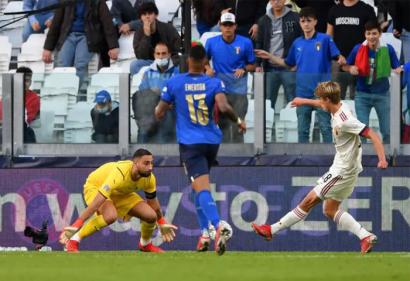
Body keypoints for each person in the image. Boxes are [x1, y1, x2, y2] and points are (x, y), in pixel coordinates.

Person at [251, 81, 388, 254]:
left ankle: (271, 230)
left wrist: (382, 159)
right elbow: (321, 103)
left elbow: (372, 135)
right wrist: (303, 101)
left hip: (342, 172)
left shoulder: (344, 121)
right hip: (345, 167)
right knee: (330, 210)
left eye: (321, 99)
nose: (320, 102)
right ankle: (365, 236)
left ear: (328, 100)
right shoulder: (338, 105)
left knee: (307, 201)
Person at [154, 44, 247, 255]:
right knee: (198, 186)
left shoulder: (175, 83)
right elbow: (223, 107)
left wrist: (167, 106)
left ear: (188, 61)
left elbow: (158, 113)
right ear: (205, 62)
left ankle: (217, 225)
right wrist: (239, 121)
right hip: (212, 141)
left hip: (190, 143)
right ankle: (205, 233)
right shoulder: (214, 82)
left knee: (202, 187)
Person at [59, 149, 178, 253]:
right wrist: (77, 224)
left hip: (120, 192)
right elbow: (97, 203)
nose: (150, 167)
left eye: (151, 163)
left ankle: (145, 244)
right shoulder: (119, 173)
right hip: (96, 186)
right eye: (146, 163)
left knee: (151, 216)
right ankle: (73, 240)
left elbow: (153, 203)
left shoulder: (149, 178)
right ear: (135, 163)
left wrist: (161, 222)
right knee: (110, 216)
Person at [255, 7, 345, 143]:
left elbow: (338, 57)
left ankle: (329, 159)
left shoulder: (325, 39)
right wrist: (269, 56)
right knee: (302, 130)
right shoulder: (297, 43)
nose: (306, 24)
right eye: (303, 21)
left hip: (323, 93)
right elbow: (288, 64)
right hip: (303, 92)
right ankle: (303, 161)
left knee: (325, 127)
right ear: (300, 23)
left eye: (309, 21)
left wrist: (341, 59)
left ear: (315, 22)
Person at [342, 20, 402, 143]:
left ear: (380, 34)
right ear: (365, 34)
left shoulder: (388, 49)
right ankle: (363, 158)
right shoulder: (357, 49)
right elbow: (345, 66)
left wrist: (401, 69)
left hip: (383, 95)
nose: (371, 37)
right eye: (368, 33)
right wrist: (350, 68)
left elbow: (397, 68)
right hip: (362, 95)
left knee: (387, 131)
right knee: (362, 131)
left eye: (374, 33)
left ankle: (387, 158)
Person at [42, 0, 119, 86]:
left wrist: (113, 46)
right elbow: (55, 24)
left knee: (79, 65)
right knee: (62, 65)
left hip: (88, 37)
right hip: (68, 36)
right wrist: (47, 48)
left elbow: (107, 23)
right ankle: (62, 94)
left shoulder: (98, 2)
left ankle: (75, 94)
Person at [205, 12, 255, 143]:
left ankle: (240, 160)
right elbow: (204, 60)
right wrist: (208, 68)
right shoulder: (211, 42)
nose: (227, 28)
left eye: (230, 25)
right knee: (222, 126)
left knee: (238, 125)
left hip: (239, 91)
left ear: (235, 26)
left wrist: (244, 68)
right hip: (220, 92)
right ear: (220, 26)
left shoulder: (246, 42)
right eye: (225, 25)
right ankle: (225, 158)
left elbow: (253, 65)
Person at [256, 0, 302, 111]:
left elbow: (302, 40)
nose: (277, 1)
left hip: (289, 67)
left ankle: (295, 128)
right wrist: (258, 64)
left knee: (293, 102)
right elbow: (259, 43)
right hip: (270, 68)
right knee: (267, 103)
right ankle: (267, 128)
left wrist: (299, 63)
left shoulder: (295, 17)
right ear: (270, 1)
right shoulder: (263, 20)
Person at [327, 0, 377, 99]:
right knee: (336, 100)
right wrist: (336, 55)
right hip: (339, 62)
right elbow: (329, 37)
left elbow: (374, 35)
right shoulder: (334, 10)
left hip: (361, 62)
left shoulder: (367, 9)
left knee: (359, 99)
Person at [132, 42, 179, 143]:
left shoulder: (177, 72)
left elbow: (178, 95)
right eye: (158, 54)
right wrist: (152, 91)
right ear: (154, 55)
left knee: (164, 126)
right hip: (150, 111)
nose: (161, 57)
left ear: (169, 54)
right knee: (143, 130)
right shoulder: (148, 73)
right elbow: (142, 94)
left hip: (168, 112)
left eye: (163, 53)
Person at [130, 2, 181, 76]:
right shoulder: (138, 33)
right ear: (141, 17)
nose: (147, 17)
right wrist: (146, 36)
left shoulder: (168, 28)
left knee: (181, 66)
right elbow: (140, 56)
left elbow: (178, 50)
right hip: (150, 61)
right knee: (134, 65)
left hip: (169, 60)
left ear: (156, 15)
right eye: (144, 14)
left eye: (150, 13)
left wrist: (168, 62)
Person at [0, 67, 40, 143]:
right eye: (22, 80)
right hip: (6, 129)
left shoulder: (34, 98)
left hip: (22, 130)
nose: (24, 83)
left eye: (27, 81)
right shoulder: (8, 94)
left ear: (31, 82)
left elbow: (25, 119)